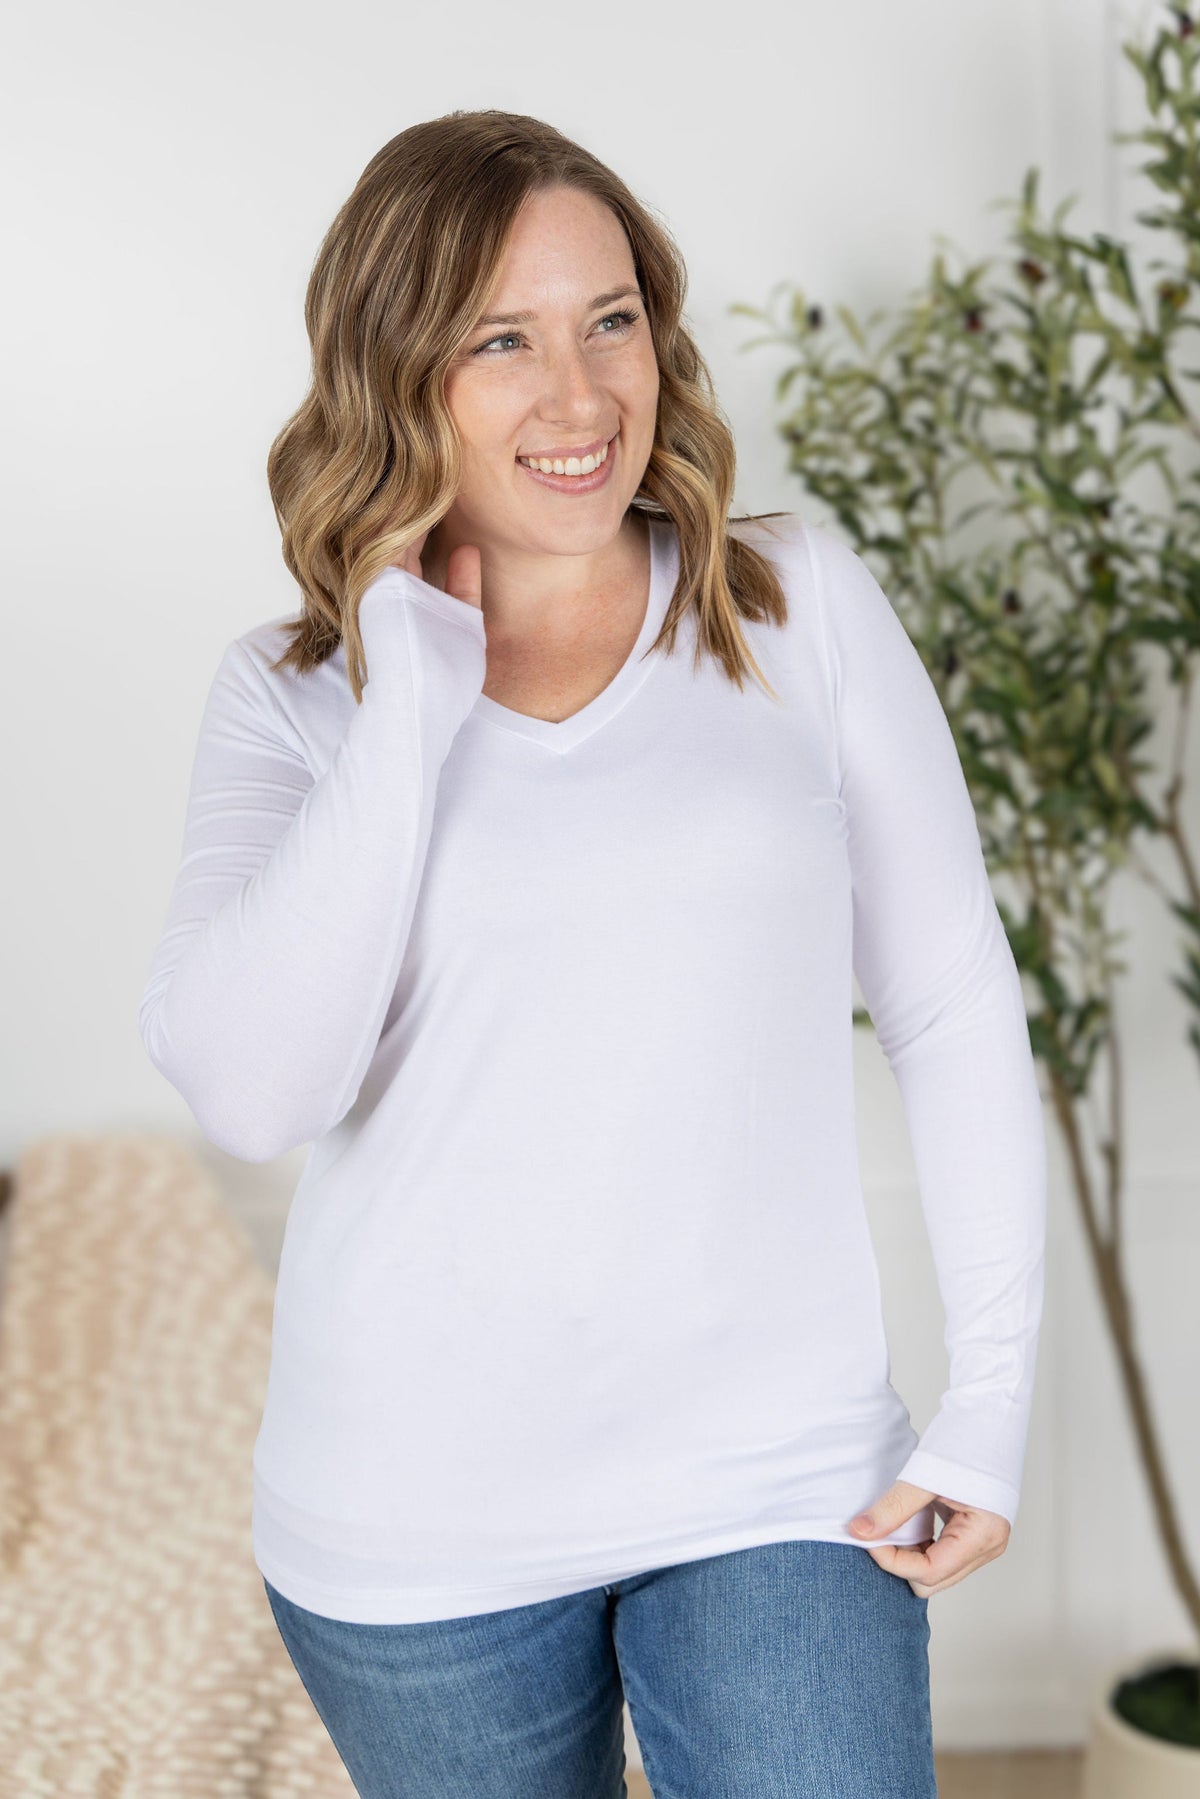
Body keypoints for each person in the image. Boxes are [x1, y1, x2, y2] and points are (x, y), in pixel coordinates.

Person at [137, 108, 1046, 1799]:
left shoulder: (795, 603)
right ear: (395, 370)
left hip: (778, 1481)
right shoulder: (294, 696)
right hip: (413, 1527)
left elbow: (945, 995)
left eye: (610, 319)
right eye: (503, 340)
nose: (581, 395)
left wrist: (991, 1394)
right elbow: (256, 1089)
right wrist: (411, 696)